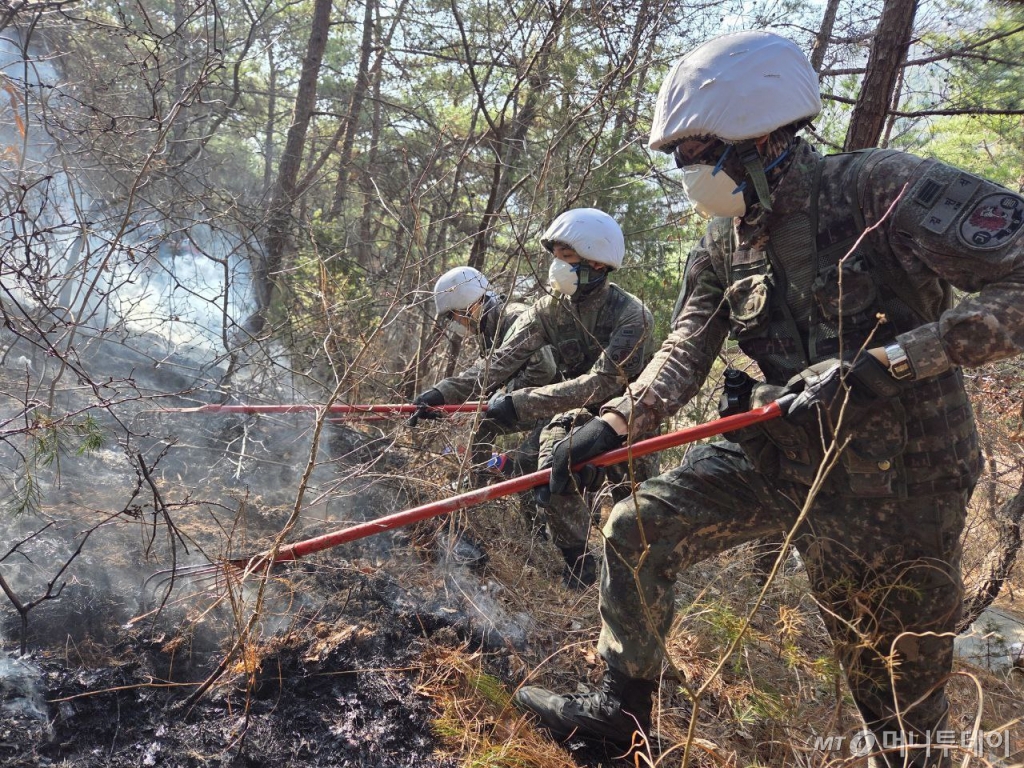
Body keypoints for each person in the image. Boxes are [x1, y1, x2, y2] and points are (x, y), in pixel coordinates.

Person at [513, 30, 1023, 767]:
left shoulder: (883, 188)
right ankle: (618, 720)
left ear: (761, 137)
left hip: (903, 485)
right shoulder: (724, 243)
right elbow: (687, 345)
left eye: (692, 154)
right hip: (781, 457)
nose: (686, 175)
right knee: (636, 528)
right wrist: (616, 422)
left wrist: (897, 361)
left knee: (894, 692)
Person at [421, 209, 655, 586]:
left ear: (597, 261)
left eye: (567, 258)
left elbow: (606, 382)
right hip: (573, 413)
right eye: (556, 257)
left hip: (630, 416)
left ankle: (644, 573)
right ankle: (579, 566)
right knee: (551, 470)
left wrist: (523, 402)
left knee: (638, 505)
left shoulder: (632, 315)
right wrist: (441, 393)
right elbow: (499, 362)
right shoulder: (549, 310)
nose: (556, 267)